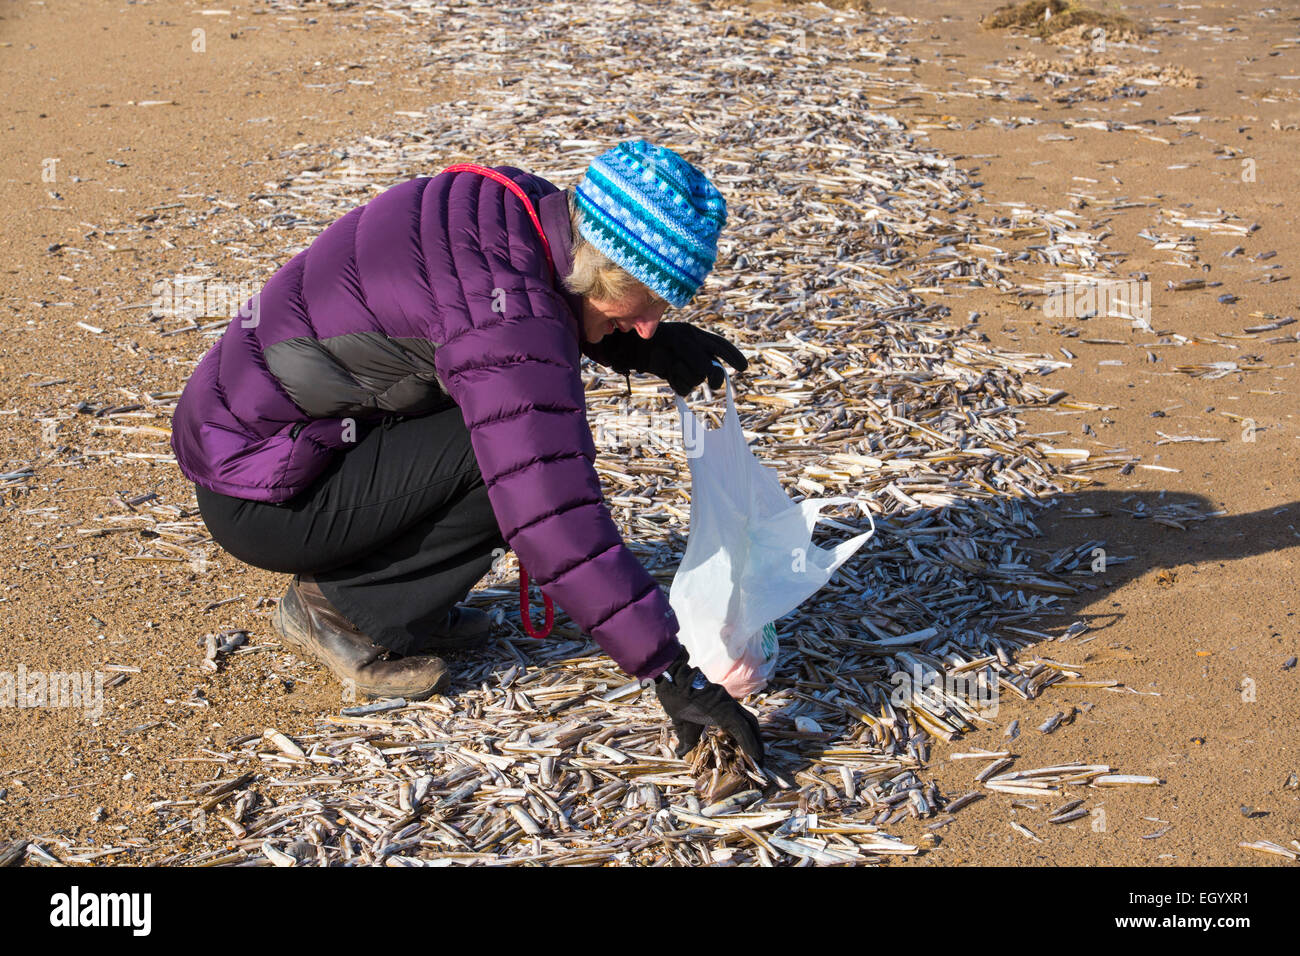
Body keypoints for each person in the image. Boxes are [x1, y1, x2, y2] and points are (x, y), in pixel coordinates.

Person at [171, 140, 764, 766]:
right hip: (267, 492)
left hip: (261, 444)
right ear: (602, 270)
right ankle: (346, 610)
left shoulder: (523, 210)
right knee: (513, 459)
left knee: (507, 428)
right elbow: (550, 508)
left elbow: (499, 323)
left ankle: (402, 599)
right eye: (647, 304)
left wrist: (644, 348)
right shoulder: (505, 308)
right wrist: (673, 674)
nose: (649, 323)